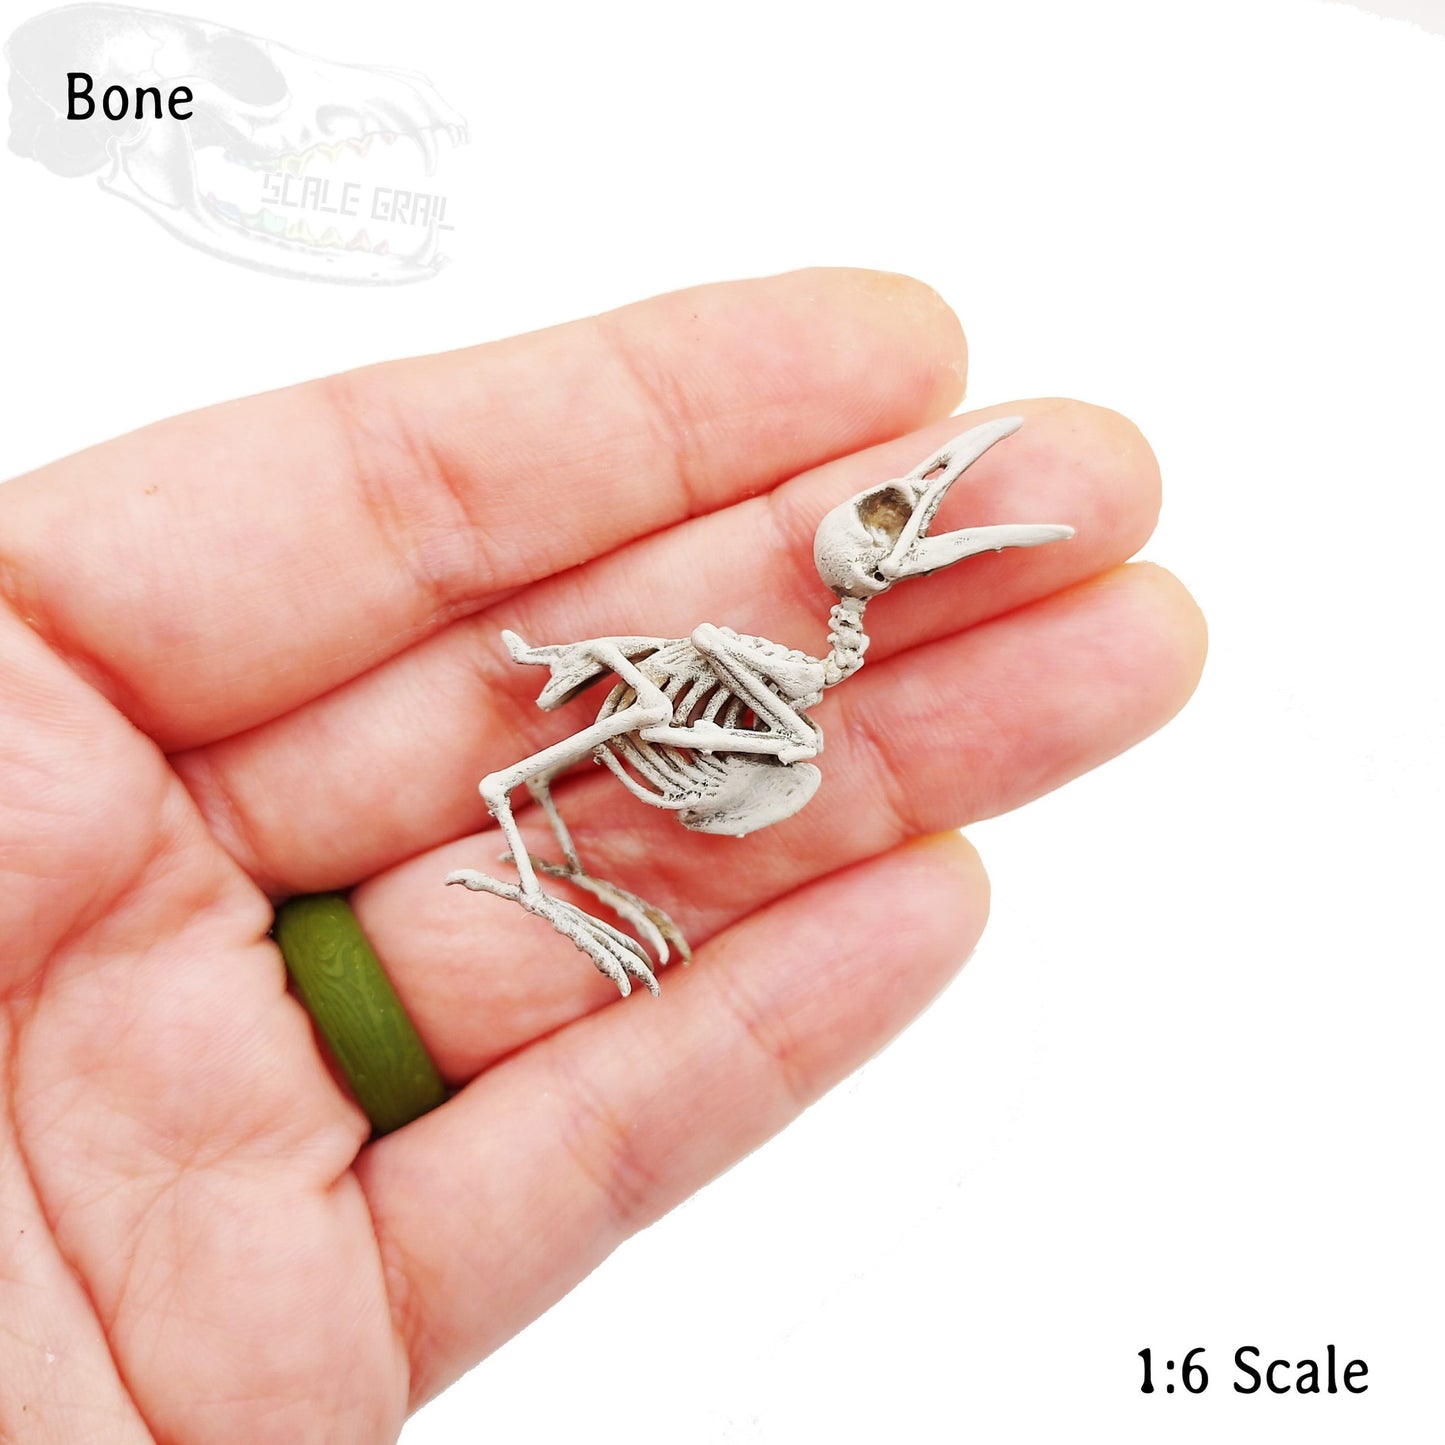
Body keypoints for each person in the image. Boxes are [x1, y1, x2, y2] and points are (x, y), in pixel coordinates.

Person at [0, 268, 1205, 1441]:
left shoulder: (794, 666)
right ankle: (547, 877)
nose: (912, 534)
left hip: (694, 724)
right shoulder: (737, 668)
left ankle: (562, 871)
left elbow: (747, 676)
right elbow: (688, 680)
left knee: (761, 755)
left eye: (911, 530)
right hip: (656, 716)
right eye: (894, 525)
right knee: (592, 767)